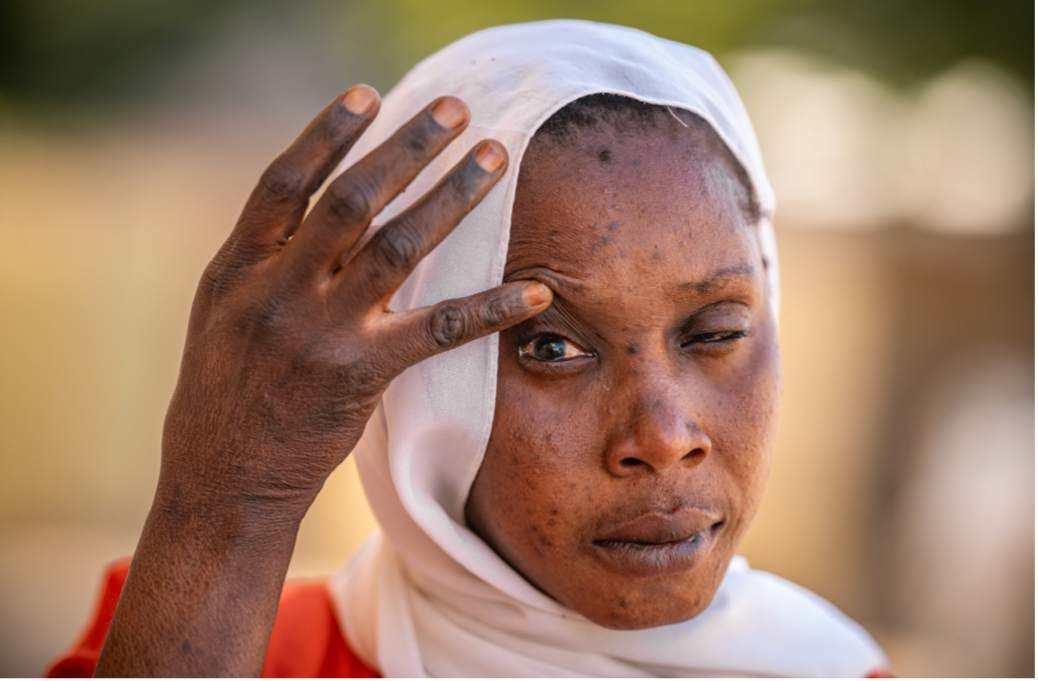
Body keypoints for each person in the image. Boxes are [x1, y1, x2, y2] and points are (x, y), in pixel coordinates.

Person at [47, 20, 891, 680]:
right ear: (420, 381)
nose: (666, 436)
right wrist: (228, 504)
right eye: (552, 345)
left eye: (715, 333)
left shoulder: (826, 666)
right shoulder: (224, 639)